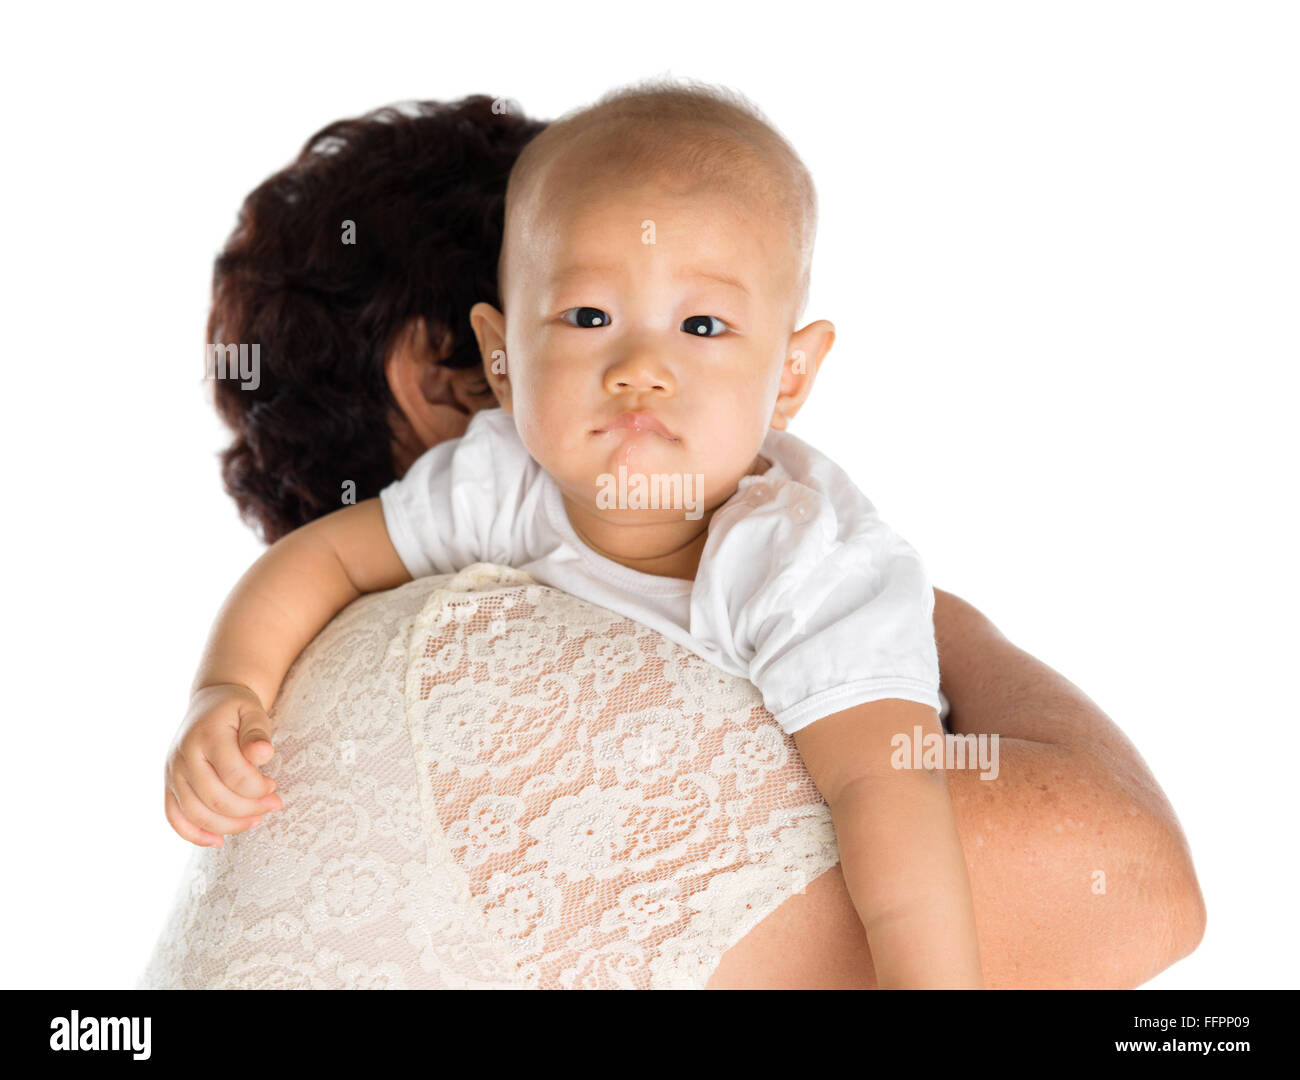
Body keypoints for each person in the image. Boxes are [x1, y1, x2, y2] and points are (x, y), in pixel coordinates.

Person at [153, 90, 1205, 989]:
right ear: (480, 366)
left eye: (702, 325)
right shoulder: (465, 621)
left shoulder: (795, 561)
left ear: (790, 371)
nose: (643, 370)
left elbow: (889, 794)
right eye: (586, 315)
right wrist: (222, 690)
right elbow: (1137, 883)